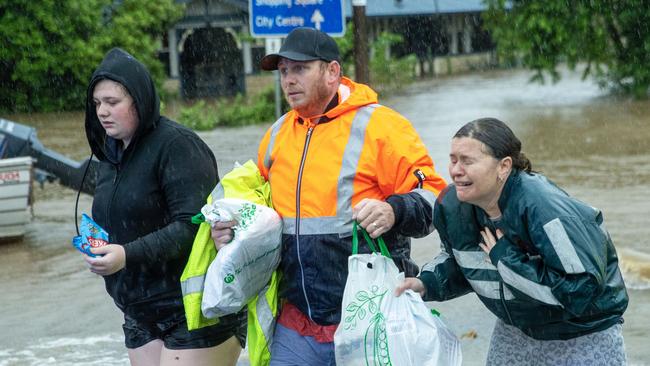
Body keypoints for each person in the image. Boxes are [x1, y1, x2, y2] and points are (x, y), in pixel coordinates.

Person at [211, 27, 447, 365]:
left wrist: (394, 210)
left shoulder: (381, 127)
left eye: (300, 68)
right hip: (296, 322)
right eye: (283, 71)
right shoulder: (276, 135)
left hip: (369, 317)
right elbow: (258, 212)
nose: (289, 80)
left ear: (332, 72)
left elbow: (436, 196)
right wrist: (232, 232)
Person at [396, 117, 629, 365]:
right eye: (453, 160)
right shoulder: (450, 207)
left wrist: (506, 259)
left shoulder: (545, 209)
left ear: (504, 166)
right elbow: (461, 262)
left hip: (582, 334)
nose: (455, 170)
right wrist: (425, 283)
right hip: (515, 330)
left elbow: (580, 291)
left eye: (467, 161)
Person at [81, 48, 246, 366]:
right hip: (139, 310)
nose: (102, 112)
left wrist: (126, 255)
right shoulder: (110, 155)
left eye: (112, 102)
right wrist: (100, 247)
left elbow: (193, 226)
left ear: (139, 101)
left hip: (194, 309)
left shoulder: (178, 146)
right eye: (97, 103)